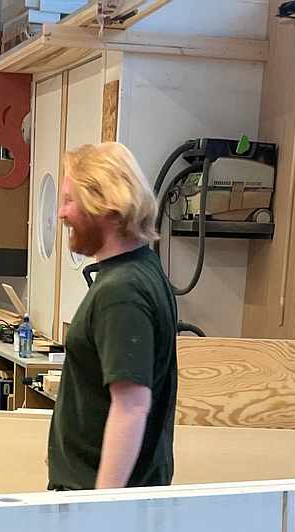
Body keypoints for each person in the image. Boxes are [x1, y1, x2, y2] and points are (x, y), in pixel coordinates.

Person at [48, 142, 179, 491]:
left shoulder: (121, 290)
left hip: (99, 499)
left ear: (105, 206)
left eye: (70, 200)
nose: (61, 213)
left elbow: (131, 408)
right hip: (112, 494)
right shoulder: (142, 270)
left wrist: (101, 507)